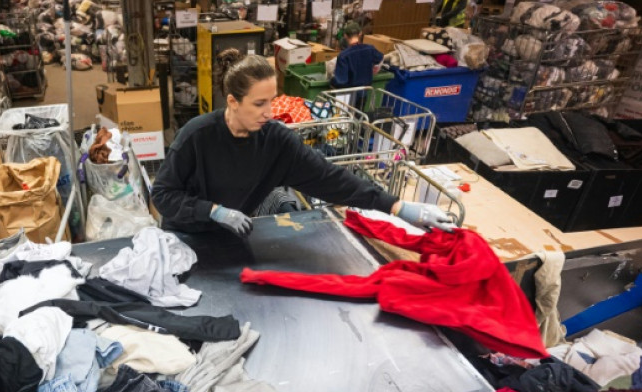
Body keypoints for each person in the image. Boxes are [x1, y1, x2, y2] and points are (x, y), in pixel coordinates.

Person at [151, 49, 455, 238]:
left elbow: (330, 178)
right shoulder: (197, 136)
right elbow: (163, 195)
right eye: (258, 104)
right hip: (186, 236)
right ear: (233, 101)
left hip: (231, 236)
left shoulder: (276, 142)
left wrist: (397, 206)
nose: (269, 113)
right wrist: (212, 211)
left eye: (271, 101)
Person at [331, 22, 384, 89]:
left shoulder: (343, 56)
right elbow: (381, 58)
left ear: (345, 36)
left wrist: (332, 80)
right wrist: (374, 69)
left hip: (349, 92)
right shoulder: (370, 49)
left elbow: (341, 81)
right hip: (365, 91)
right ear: (360, 33)